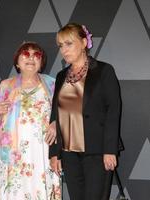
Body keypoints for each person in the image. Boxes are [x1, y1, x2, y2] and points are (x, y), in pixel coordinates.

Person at [49, 23, 122, 200]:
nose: (64, 50)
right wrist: (54, 153)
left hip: (97, 151)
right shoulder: (61, 76)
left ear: (83, 42)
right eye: (60, 45)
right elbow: (55, 115)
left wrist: (109, 150)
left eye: (69, 44)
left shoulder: (104, 71)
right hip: (68, 152)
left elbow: (113, 110)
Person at [0, 42, 61, 200]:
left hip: (42, 153)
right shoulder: (5, 86)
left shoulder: (53, 85)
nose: (31, 58)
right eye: (26, 54)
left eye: (36, 55)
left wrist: (56, 124)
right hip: (12, 156)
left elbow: (65, 117)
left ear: (41, 62)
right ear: (17, 62)